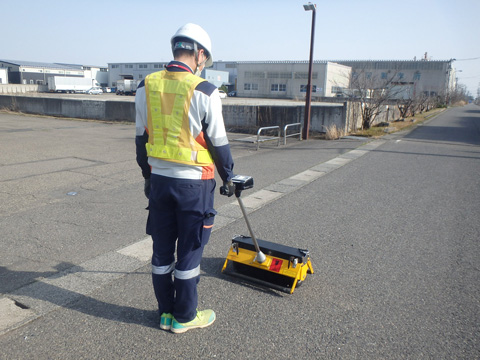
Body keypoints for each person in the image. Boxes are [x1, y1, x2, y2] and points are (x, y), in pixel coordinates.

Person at [135, 23, 235, 334]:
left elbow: (141, 140)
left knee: (162, 251)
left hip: (160, 183)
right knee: (190, 252)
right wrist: (230, 177)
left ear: (176, 48)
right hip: (195, 185)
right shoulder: (204, 90)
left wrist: (148, 176)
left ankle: (165, 312)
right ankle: (185, 317)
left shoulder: (145, 86)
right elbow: (218, 142)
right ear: (200, 54)